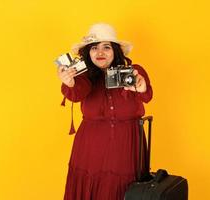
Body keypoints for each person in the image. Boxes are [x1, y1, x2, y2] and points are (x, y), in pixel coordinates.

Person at [57, 23, 153, 200]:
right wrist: (69, 83)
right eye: (94, 48)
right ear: (88, 53)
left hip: (127, 144)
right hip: (91, 147)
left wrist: (141, 87)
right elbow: (77, 93)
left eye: (106, 47)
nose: (100, 52)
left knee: (125, 188)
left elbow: (147, 95)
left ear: (116, 51)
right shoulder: (83, 77)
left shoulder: (134, 71)